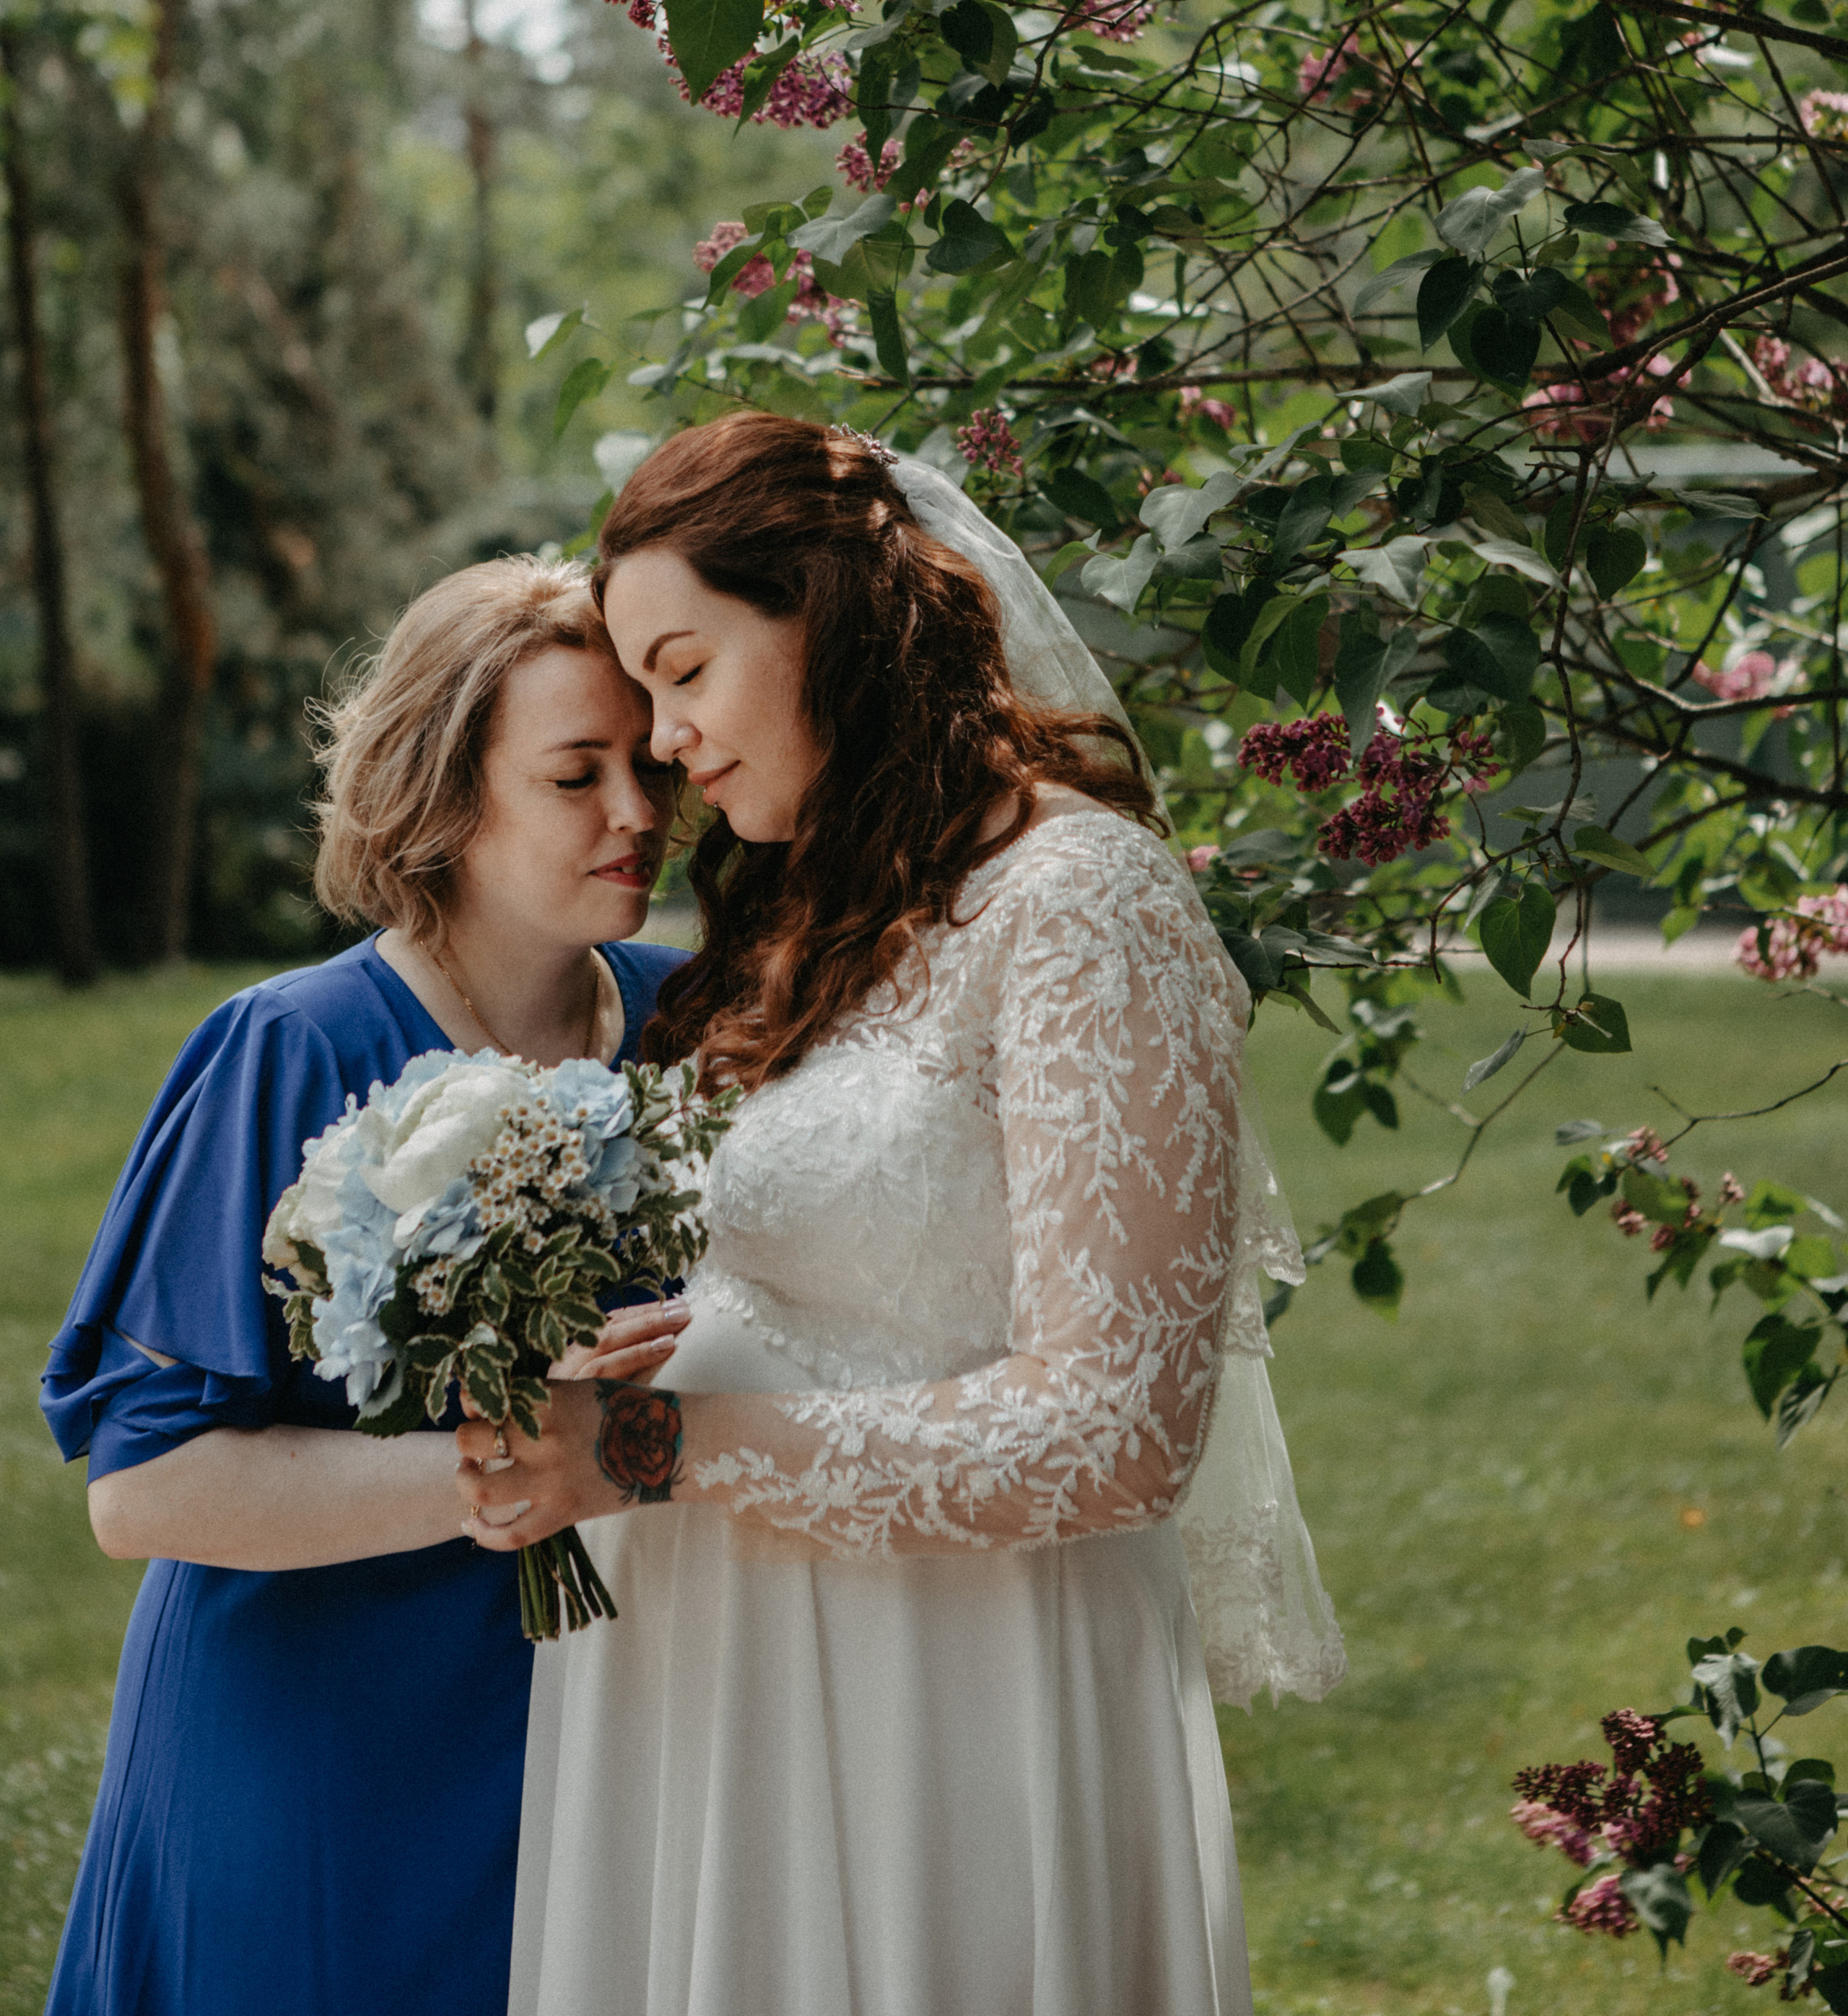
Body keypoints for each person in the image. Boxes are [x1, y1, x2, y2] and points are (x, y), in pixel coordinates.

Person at [462, 418, 1345, 2016]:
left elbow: (1119, 1431)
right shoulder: (813, 908)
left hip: (956, 1684)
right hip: (715, 1670)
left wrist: (663, 1449)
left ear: (825, 615)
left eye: (684, 671)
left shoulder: (1081, 903)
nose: (661, 741)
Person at [40, 556, 691, 2016]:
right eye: (576, 774)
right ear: (446, 801)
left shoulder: (696, 1020)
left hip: (609, 1737)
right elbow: (142, 1490)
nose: (638, 813)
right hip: (321, 1754)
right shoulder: (287, 1049)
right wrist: (500, 1471)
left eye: (646, 764)